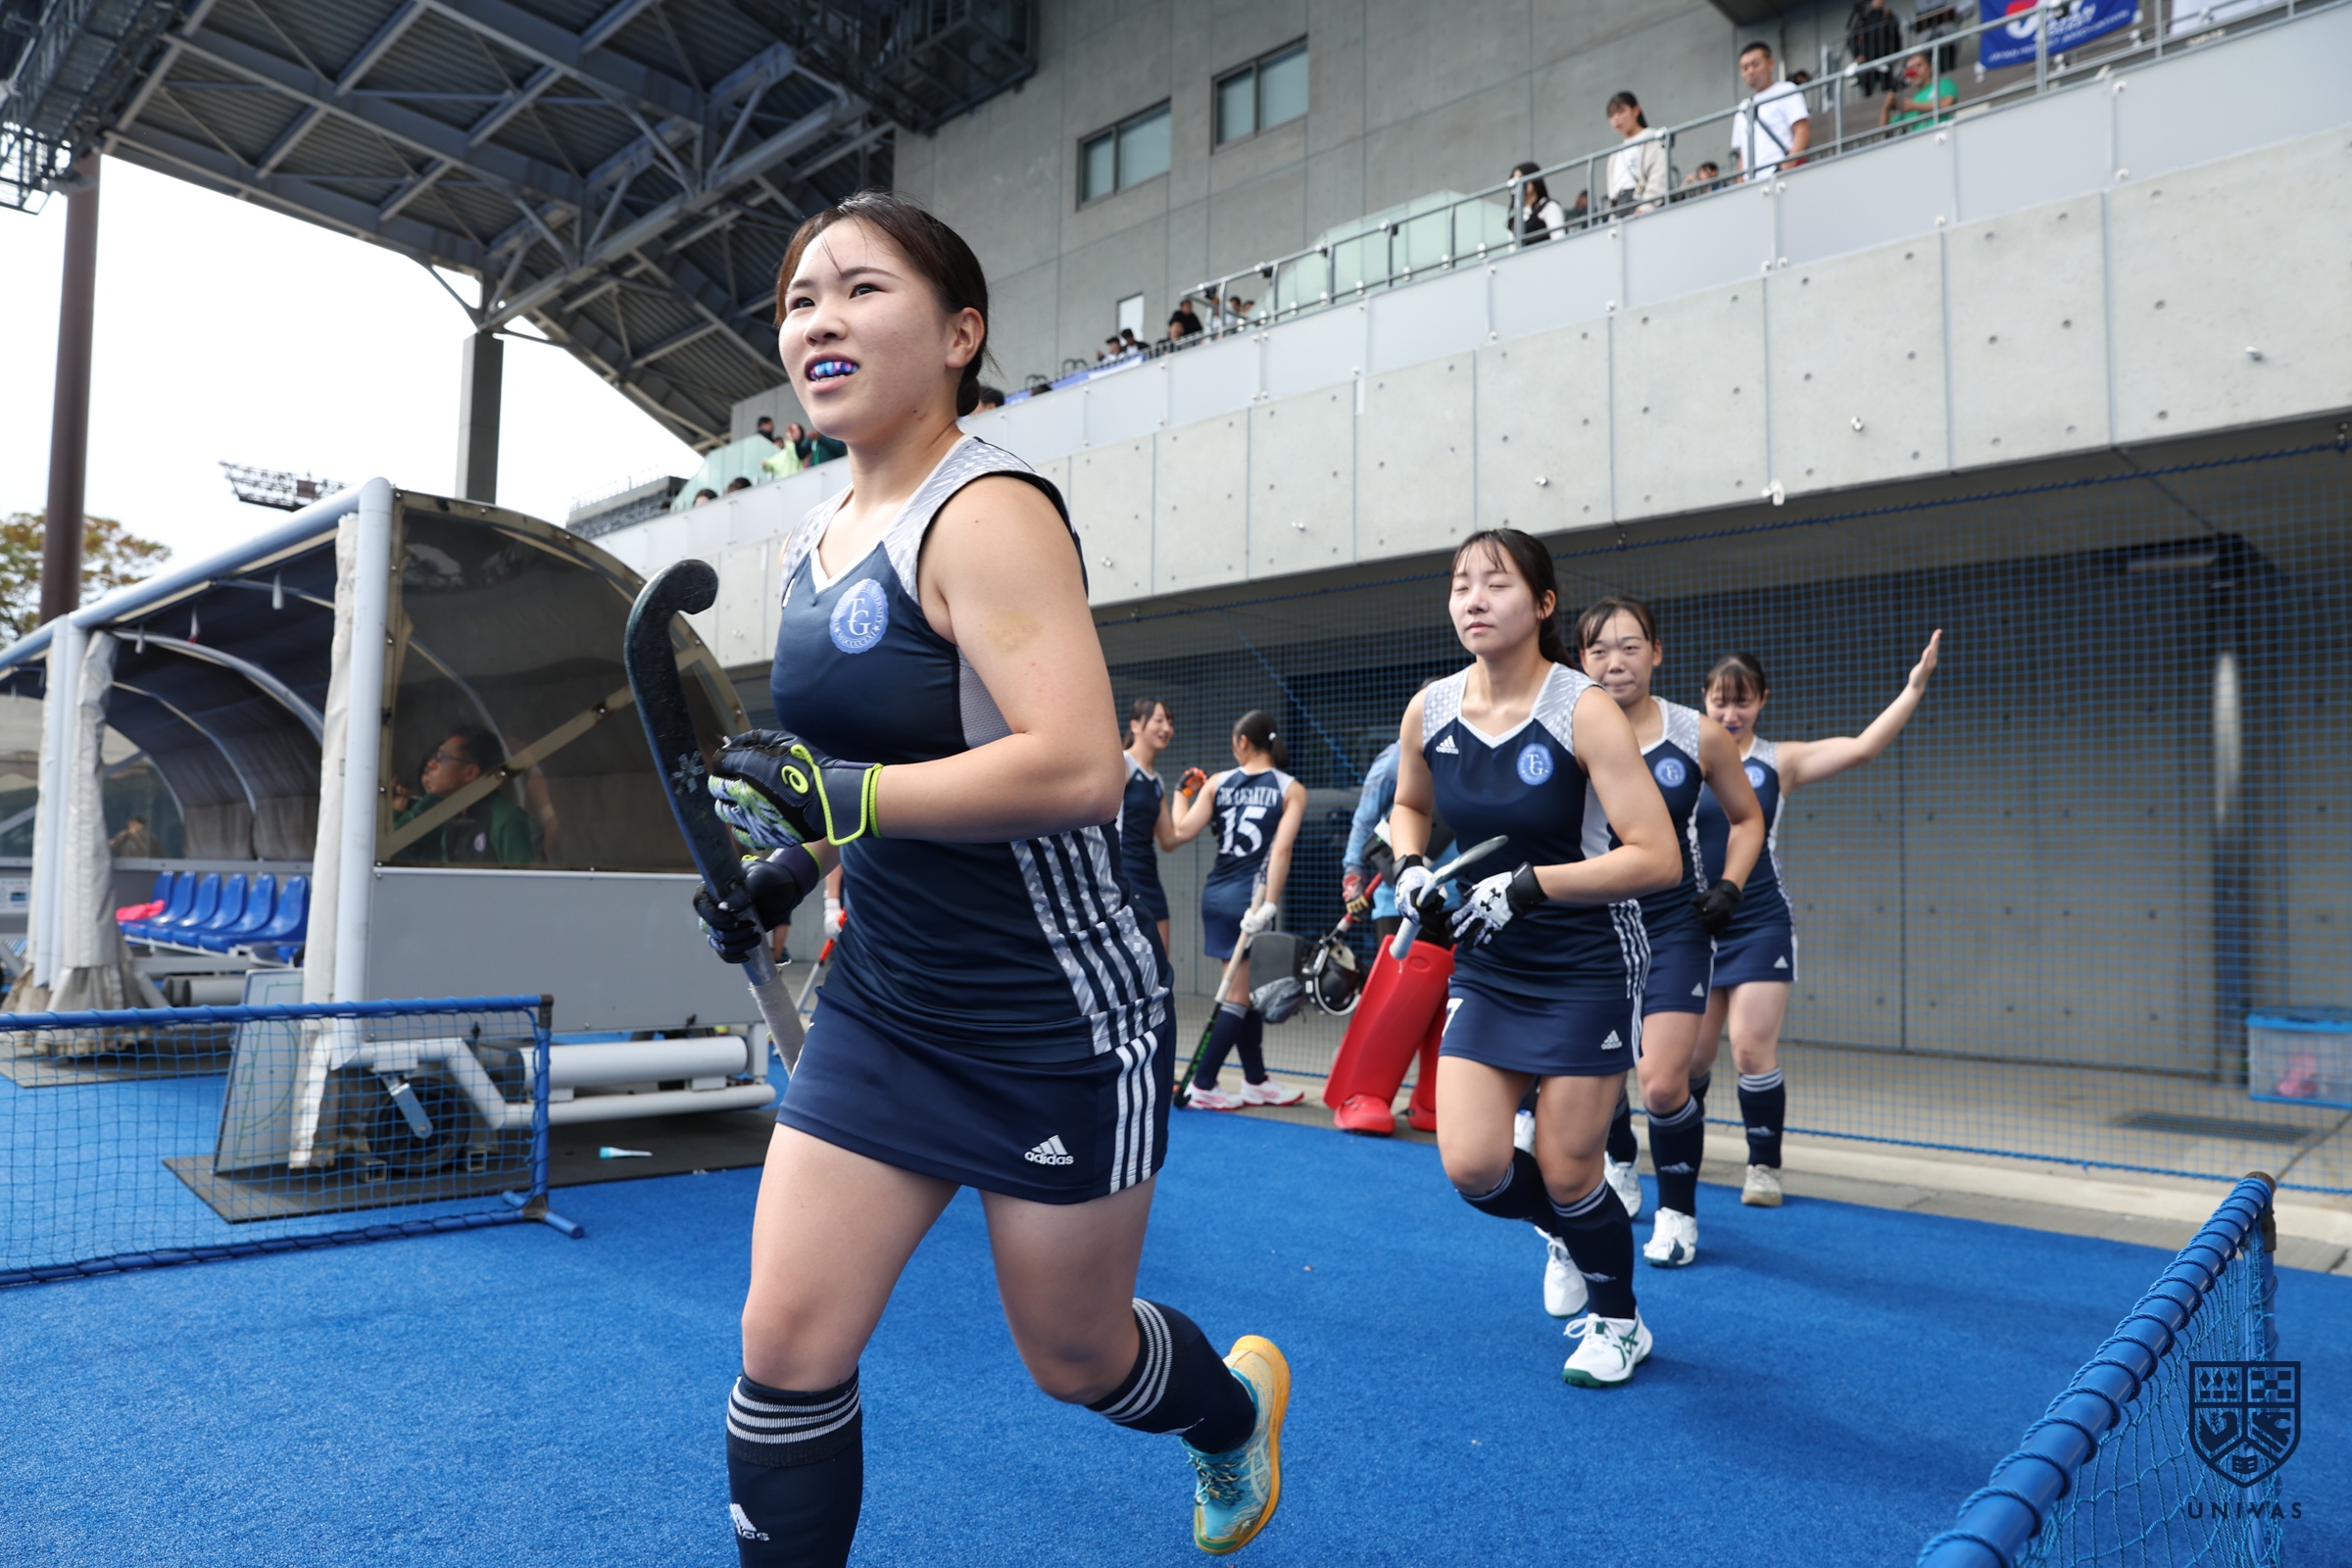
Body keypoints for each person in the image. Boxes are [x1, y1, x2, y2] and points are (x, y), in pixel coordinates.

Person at [689, 190, 1287, 1565]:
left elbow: (1075, 766)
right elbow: (870, 778)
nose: (820, 319)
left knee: (1077, 1356)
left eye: (861, 290)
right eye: (798, 300)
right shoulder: (811, 538)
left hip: (1051, 1019)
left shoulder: (989, 510)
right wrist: (790, 866)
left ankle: (1231, 1412)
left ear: (960, 334)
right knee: (784, 1341)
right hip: (883, 1004)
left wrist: (845, 800)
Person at [1389, 529, 1680, 1387]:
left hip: (1589, 961)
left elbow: (1657, 857)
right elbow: (1409, 805)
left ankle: (1621, 1324)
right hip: (1489, 964)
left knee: (1568, 1166)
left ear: (1544, 604)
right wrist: (1410, 866)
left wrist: (1531, 887)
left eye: (1497, 583)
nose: (1473, 599)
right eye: (1460, 585)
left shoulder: (1583, 709)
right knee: (1473, 1166)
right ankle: (1562, 1226)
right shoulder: (1431, 708)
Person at [1691, 633, 1943, 1208]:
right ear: (1703, 699)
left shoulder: (1779, 761)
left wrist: (1914, 687)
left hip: (1759, 923)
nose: (1731, 714)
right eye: (1720, 701)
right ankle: (1685, 1151)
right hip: (1696, 926)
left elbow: (1862, 749)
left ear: (1763, 701)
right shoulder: (1686, 760)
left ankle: (1764, 1168)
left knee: (1750, 1050)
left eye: (1743, 701)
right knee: (1691, 1061)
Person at [1573, 598, 1763, 1285]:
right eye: (1598, 650)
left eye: (1630, 646)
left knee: (1660, 1083)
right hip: (1592, 927)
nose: (1615, 662)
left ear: (1656, 653)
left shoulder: (1697, 733)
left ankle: (1678, 1211)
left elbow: (1747, 819)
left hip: (1674, 926)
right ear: (1580, 661)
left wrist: (1730, 886)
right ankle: (1620, 1162)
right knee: (1598, 1075)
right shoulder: (1565, 730)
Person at [1170, 710, 1307, 1111]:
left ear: (1242, 742)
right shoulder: (1291, 788)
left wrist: (1181, 793)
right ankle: (1203, 1084)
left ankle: (1255, 1080)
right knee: (1238, 994)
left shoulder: (1216, 783)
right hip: (1251, 899)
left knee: (1242, 992)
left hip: (1216, 895)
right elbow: (1281, 850)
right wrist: (1269, 904)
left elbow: (1180, 831)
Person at [1118, 696, 1204, 955]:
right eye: (1159, 720)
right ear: (1135, 725)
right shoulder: (1121, 763)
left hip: (1149, 873)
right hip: (1122, 871)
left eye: (1170, 722)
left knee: (1161, 959)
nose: (1166, 728)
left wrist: (1188, 796)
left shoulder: (1157, 781)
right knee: (1134, 957)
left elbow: (1168, 839)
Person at [388, 726, 542, 865]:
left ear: (470, 773)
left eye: (441, 757)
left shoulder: (506, 821)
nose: (431, 764)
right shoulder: (454, 822)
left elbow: (528, 884)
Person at [1731, 40, 1810, 180]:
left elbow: (1802, 130)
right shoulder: (1742, 109)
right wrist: (1741, 184)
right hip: (1753, 184)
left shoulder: (1787, 90)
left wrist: (1787, 165)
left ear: (1771, 63)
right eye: (1745, 68)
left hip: (1783, 177)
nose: (1750, 71)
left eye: (1755, 64)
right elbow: (1742, 156)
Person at [1603, 93, 1668, 216]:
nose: (1616, 118)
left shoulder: (1651, 137)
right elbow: (1613, 195)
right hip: (1620, 208)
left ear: (1636, 111)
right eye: (1611, 115)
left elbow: (1659, 174)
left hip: (1641, 202)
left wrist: (1648, 206)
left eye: (1620, 111)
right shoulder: (1615, 155)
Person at [1880, 51, 1957, 134]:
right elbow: (1885, 132)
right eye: (1910, 68)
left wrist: (1914, 106)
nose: (1914, 70)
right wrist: (1886, 110)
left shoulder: (1943, 83)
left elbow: (1946, 105)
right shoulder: (1909, 104)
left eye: (1919, 65)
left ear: (1930, 68)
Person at [1506, 162, 1568, 245]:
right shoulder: (1515, 219)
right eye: (1514, 180)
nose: (1518, 184)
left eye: (1521, 178)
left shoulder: (1548, 206)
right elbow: (1513, 249)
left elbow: (1559, 239)